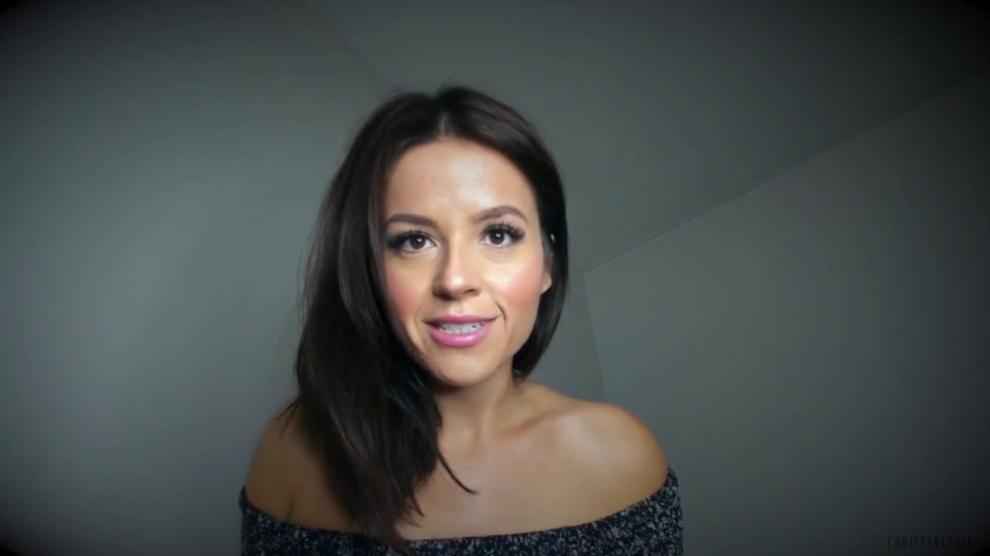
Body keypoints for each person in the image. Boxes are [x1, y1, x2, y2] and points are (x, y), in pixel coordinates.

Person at [239, 84, 684, 555]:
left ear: (548, 263)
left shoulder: (619, 458)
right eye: (414, 241)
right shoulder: (291, 453)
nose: (455, 280)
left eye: (498, 234)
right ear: (369, 269)